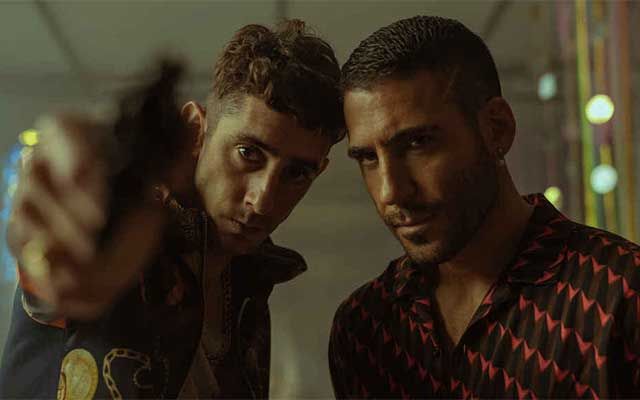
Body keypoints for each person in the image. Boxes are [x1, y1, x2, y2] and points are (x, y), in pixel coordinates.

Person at [0, 19, 344, 399]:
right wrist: (65, 219)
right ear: (196, 130)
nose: (262, 199)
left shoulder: (251, 285)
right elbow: (59, 267)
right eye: (248, 153)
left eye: (296, 173)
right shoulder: (129, 236)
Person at [329, 15, 640, 398]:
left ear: (497, 128)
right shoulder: (364, 328)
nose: (390, 191)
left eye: (417, 143)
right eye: (368, 158)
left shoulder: (622, 294)